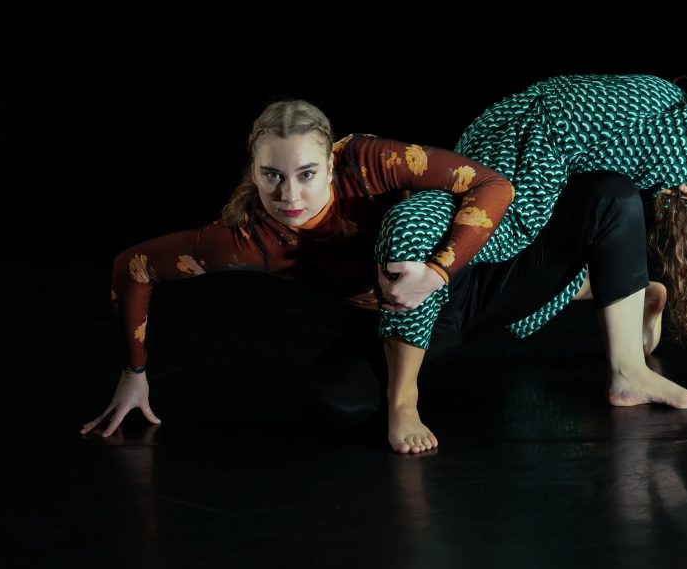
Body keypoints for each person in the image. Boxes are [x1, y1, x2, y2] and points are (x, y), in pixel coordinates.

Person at [375, 49, 687, 453]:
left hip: (493, 266)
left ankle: (628, 362)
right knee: (344, 399)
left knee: (610, 198)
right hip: (502, 215)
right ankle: (626, 302)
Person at [80, 99, 515, 438]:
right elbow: (134, 267)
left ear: (330, 164)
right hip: (386, 315)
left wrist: (439, 271)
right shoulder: (246, 238)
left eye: (306, 174)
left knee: (573, 242)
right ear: (253, 171)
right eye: (272, 175)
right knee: (335, 409)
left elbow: (491, 184)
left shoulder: (369, 161)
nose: (290, 195)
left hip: (465, 278)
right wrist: (133, 373)